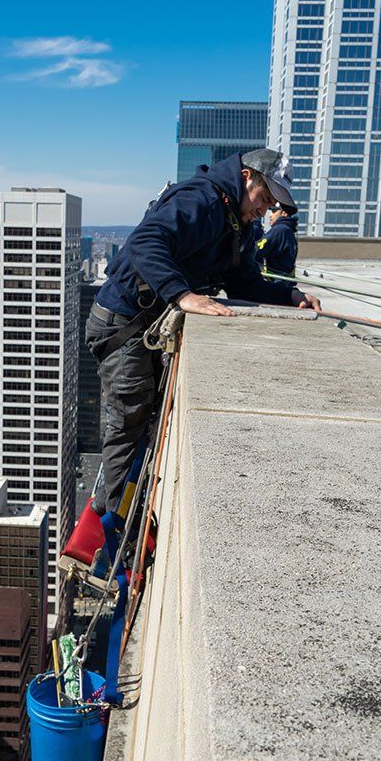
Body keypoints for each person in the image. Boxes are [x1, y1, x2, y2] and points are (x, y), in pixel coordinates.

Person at [85, 148, 320, 517]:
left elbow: (244, 283)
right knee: (129, 421)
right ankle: (111, 526)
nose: (266, 208)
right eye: (265, 198)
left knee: (144, 419)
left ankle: (124, 507)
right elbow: (146, 241)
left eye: (273, 202)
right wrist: (183, 295)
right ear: (247, 178)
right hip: (123, 321)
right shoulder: (203, 200)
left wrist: (290, 296)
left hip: (139, 321)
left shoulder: (238, 223)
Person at [256, 205, 299, 291]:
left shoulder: (279, 230)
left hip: (277, 283)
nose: (270, 215)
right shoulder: (288, 230)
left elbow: (257, 250)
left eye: (274, 211)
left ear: (284, 213)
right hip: (284, 282)